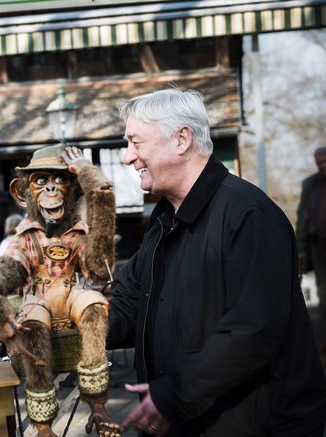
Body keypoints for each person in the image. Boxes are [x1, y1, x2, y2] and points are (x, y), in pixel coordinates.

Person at [107, 88, 326, 436]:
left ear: (182, 140)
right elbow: (126, 307)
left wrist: (173, 395)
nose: (128, 157)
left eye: (136, 142)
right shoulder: (163, 223)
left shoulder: (249, 216)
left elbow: (252, 331)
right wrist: (65, 324)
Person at [297, 147, 326, 338]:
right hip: (319, 247)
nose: (322, 166)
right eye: (319, 163)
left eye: (325, 161)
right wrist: (301, 249)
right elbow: (303, 218)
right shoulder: (311, 185)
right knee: (324, 294)